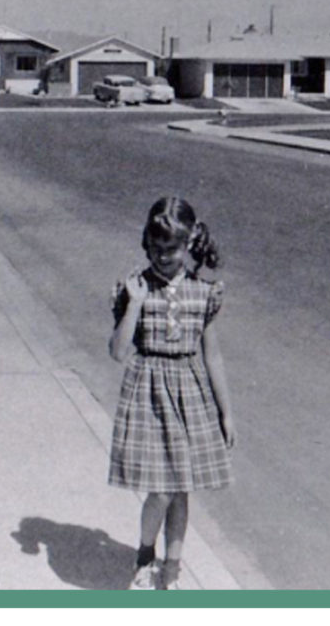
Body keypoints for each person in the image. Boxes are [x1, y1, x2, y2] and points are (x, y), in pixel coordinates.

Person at [108, 197, 237, 590]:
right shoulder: (134, 288)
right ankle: (145, 557)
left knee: (181, 489)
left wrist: (226, 412)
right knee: (161, 489)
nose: (164, 257)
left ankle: (172, 570)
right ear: (146, 244)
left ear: (189, 245)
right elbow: (117, 352)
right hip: (148, 394)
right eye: (156, 248)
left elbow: (212, 356)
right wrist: (134, 305)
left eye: (173, 249)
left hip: (189, 394)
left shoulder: (203, 292)